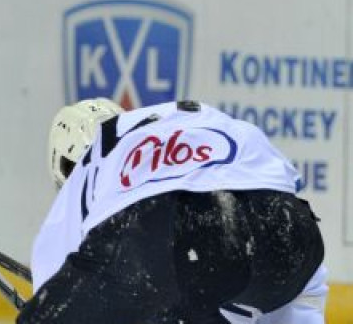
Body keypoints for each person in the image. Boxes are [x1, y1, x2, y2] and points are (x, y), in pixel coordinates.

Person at [18, 98, 327, 323]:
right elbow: (282, 196)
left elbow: (59, 284)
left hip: (202, 240)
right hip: (293, 234)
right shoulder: (171, 124)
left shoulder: (96, 162)